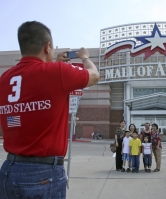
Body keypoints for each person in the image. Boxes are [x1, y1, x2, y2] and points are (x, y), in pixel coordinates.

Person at [0, 21, 99, 199]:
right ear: (47, 47)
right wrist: (85, 57)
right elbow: (94, 75)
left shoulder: (5, 78)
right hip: (43, 174)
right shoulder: (57, 72)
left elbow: (33, 90)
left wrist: (54, 64)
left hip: (9, 169)